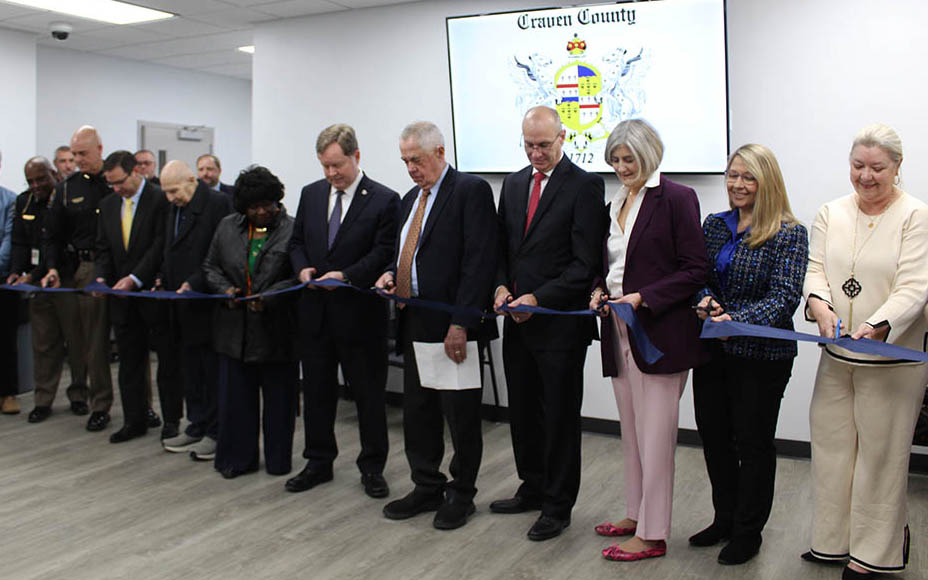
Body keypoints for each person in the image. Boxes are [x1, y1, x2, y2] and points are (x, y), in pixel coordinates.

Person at [802, 124, 928, 579]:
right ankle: (833, 541)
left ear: (897, 167)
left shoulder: (916, 216)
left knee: (881, 456)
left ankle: (874, 554)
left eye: (878, 168)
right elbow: (815, 270)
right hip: (836, 357)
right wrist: (819, 303)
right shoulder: (830, 212)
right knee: (833, 450)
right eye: (858, 166)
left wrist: (878, 325)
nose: (866, 176)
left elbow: (915, 287)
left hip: (892, 362)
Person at [589, 119, 708, 561]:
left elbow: (695, 269)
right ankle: (635, 514)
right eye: (615, 160)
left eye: (629, 159)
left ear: (650, 155)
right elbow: (613, 263)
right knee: (633, 433)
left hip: (659, 332)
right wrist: (600, 289)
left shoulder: (677, 198)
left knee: (656, 438)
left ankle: (654, 534)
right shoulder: (616, 200)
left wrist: (643, 298)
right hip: (617, 326)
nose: (621, 167)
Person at [689, 144, 808, 565]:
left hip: (762, 356)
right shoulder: (714, 225)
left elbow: (784, 299)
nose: (737, 184)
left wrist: (731, 321)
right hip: (713, 353)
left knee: (753, 443)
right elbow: (697, 277)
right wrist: (705, 304)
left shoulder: (790, 232)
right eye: (732, 175)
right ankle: (724, 518)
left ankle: (747, 531)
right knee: (715, 439)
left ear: (767, 181)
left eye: (748, 177)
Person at [491, 106, 606, 541]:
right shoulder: (514, 183)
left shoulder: (585, 186)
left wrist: (538, 298)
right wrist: (500, 288)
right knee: (522, 410)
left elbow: (584, 263)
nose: (535, 153)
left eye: (543, 144)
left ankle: (558, 505)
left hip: (557, 323)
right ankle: (532, 486)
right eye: (528, 145)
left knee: (558, 416)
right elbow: (503, 248)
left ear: (563, 139)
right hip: (515, 320)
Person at [375, 121, 497, 530]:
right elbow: (407, 252)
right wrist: (391, 274)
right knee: (419, 412)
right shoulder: (411, 198)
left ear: (440, 153)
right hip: (414, 320)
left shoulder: (470, 191)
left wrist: (462, 323)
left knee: (460, 414)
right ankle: (426, 484)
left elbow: (479, 260)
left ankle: (462, 494)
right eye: (406, 160)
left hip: (451, 323)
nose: (411, 168)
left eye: (418, 159)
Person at [286, 124, 399, 498]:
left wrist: (347, 275)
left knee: (368, 396)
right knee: (317, 392)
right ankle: (318, 462)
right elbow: (297, 240)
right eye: (325, 167)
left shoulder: (384, 199)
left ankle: (372, 468)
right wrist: (302, 266)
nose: (332, 174)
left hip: (360, 316)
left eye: (338, 165)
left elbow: (385, 252)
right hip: (316, 315)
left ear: (356, 156)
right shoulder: (311, 194)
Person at [202, 165, 299, 479]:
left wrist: (269, 297)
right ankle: (237, 459)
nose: (261, 211)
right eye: (254, 206)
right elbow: (210, 267)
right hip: (234, 330)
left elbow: (298, 276)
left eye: (267, 205)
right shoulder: (227, 227)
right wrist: (225, 290)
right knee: (236, 401)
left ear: (277, 201)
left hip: (276, 330)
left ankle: (278, 461)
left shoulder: (292, 229)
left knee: (279, 403)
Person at [95, 150, 176, 443]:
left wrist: (135, 278)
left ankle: (171, 421)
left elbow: (159, 245)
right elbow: (104, 247)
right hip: (121, 297)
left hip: (151, 293)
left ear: (136, 172)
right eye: (111, 184)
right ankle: (134, 420)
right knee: (129, 362)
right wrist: (103, 277)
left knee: (165, 363)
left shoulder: (159, 199)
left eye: (120, 182)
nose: (116, 189)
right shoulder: (107, 204)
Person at [40, 126, 115, 432]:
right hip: (86, 267)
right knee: (93, 343)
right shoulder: (68, 188)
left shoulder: (115, 182)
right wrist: (53, 267)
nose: (78, 160)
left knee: (132, 341)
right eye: (74, 155)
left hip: (121, 267)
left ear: (100, 147)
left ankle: (143, 408)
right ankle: (100, 405)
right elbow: (52, 235)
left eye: (84, 154)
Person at [158, 161, 232, 459]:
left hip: (207, 302)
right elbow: (169, 248)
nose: (170, 197)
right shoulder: (175, 207)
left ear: (191, 181)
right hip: (181, 304)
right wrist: (162, 277)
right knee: (190, 369)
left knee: (210, 371)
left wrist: (194, 282)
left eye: (174, 190)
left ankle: (215, 431)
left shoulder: (217, 204)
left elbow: (221, 254)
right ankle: (196, 424)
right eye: (166, 192)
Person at [7, 157, 87, 419]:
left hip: (64, 277)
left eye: (41, 178)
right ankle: (43, 399)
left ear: (53, 173)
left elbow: (58, 243)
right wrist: (17, 273)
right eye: (30, 181)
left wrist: (36, 274)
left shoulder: (66, 198)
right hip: (38, 283)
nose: (36, 185)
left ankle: (78, 394)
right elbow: (19, 242)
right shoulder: (24, 201)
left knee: (76, 341)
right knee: (43, 343)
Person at [0, 150, 18, 415]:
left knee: (4, 339)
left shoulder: (11, 200)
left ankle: (8, 394)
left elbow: (9, 240)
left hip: (2, 279)